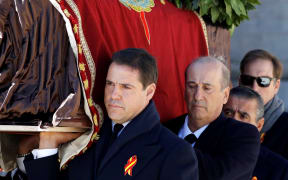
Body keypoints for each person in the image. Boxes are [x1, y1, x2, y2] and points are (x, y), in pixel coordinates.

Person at [20, 48, 198, 180]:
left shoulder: (175, 153)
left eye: (126, 87)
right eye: (110, 84)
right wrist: (48, 144)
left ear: (149, 91)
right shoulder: (86, 138)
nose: (113, 95)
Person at [165, 56, 260, 180]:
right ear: (184, 91)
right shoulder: (165, 129)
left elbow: (218, 175)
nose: (198, 96)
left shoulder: (244, 134)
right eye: (192, 86)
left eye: (207, 88)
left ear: (225, 95)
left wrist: (168, 148)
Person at [223, 86, 288, 180]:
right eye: (228, 113)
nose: (234, 121)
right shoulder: (202, 154)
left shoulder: (279, 171)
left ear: (259, 125)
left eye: (243, 116)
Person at [239, 49, 288, 159]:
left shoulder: (285, 127)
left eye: (263, 81)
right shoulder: (227, 120)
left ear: (276, 86)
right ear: (240, 82)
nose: (255, 88)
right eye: (247, 79)